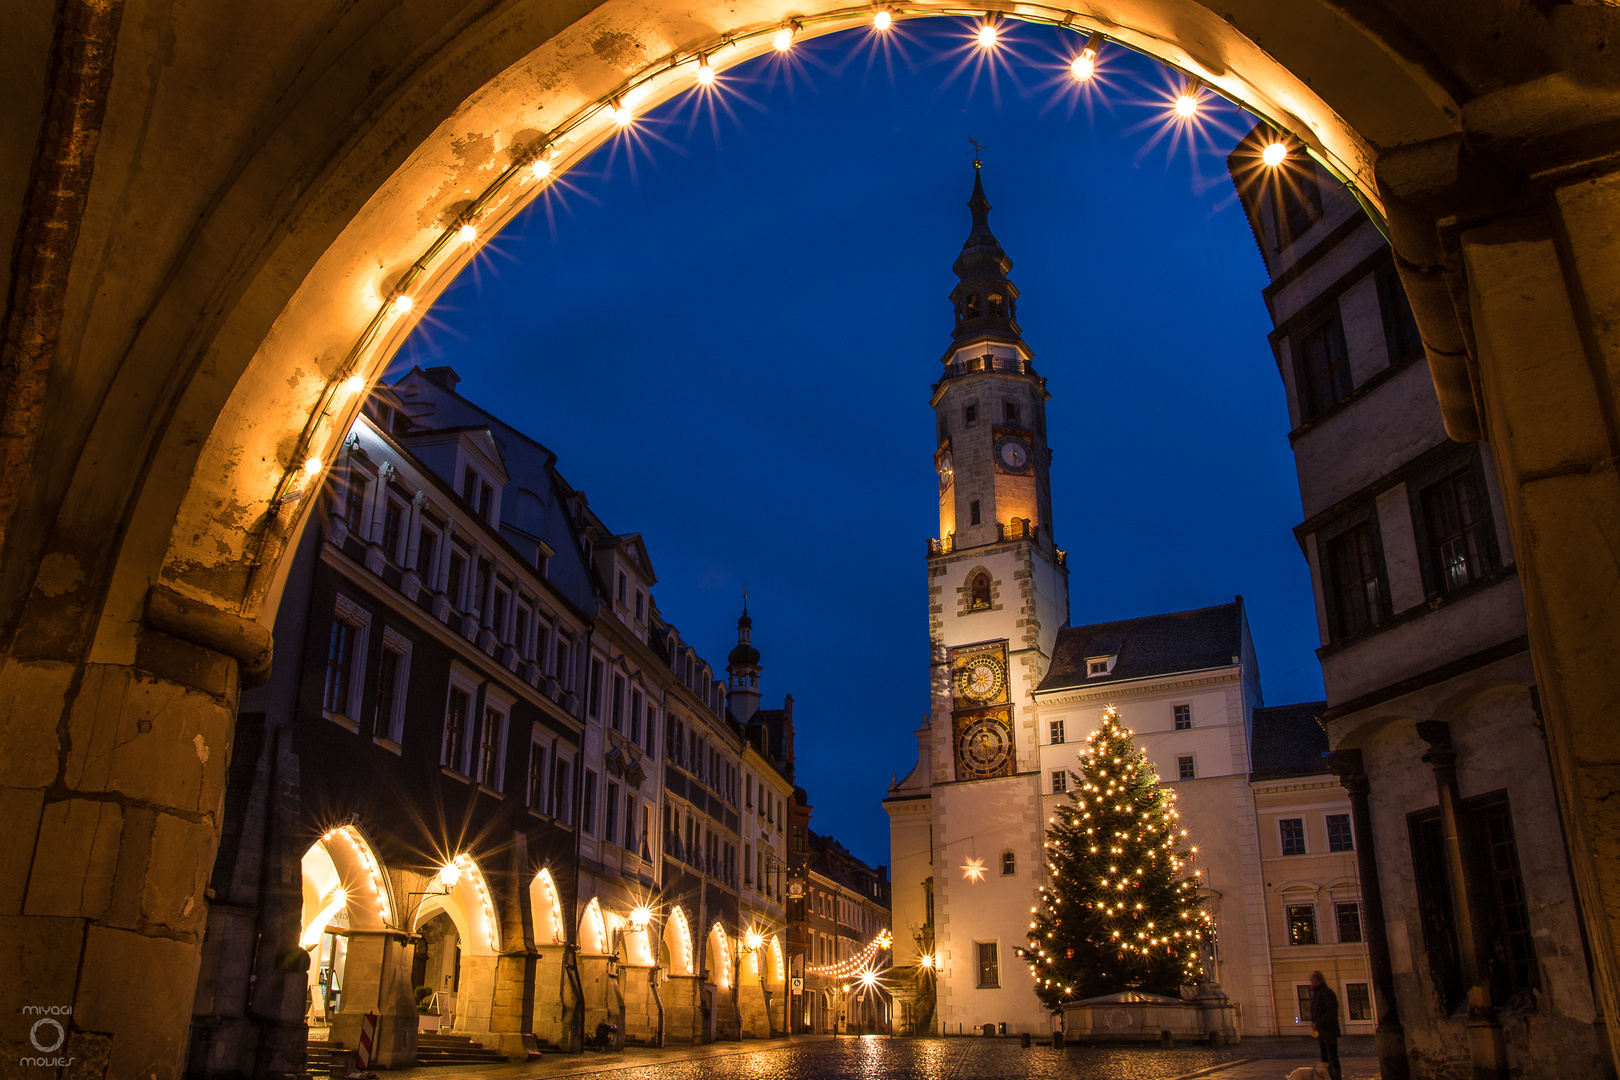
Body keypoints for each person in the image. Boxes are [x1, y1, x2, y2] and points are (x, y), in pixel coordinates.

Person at [1309, 970, 1342, 1080]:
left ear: (1318, 980)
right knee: (1324, 1058)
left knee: (1332, 1057)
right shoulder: (1317, 994)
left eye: (1312, 980)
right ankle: (1328, 1077)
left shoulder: (1327, 993)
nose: (1310, 982)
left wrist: (1317, 1023)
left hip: (1329, 1030)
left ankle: (1336, 1078)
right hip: (1321, 1031)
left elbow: (1331, 1013)